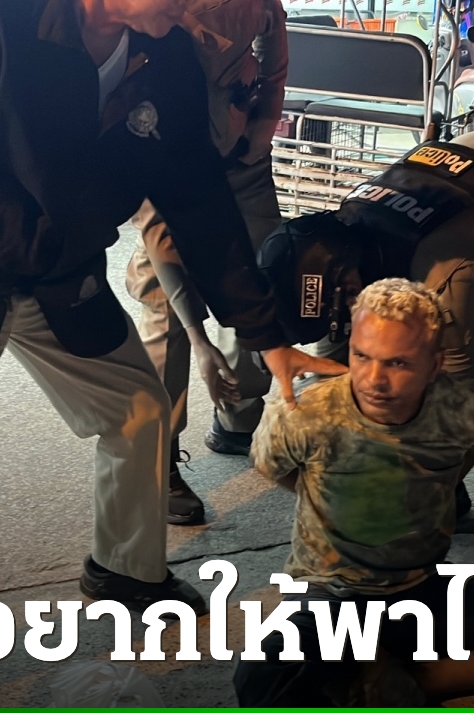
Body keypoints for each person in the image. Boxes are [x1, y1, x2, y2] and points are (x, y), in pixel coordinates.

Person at [0, 0, 342, 707]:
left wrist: (264, 334)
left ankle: (124, 572)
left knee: (139, 412)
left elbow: (198, 198)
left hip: (59, 275)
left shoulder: (164, 51)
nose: (193, 9)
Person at [256, 107, 474, 588]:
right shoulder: (336, 247)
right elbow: (336, 368)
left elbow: (456, 396)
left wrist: (415, 487)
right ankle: (449, 489)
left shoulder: (447, 265)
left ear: (349, 284)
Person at [234, 278, 474, 707]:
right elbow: (274, 469)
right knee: (263, 675)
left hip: (421, 587)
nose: (373, 380)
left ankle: (410, 681)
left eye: (398, 363)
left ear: (435, 365)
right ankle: (366, 670)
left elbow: (455, 470)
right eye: (361, 356)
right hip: (331, 594)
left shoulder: (468, 409)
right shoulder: (304, 413)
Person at [123, 0, 289, 525]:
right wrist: (200, 340)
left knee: (262, 274)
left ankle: (239, 415)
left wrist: (263, 125)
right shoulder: (149, 24)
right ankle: (157, 462)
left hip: (240, 150)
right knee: (167, 307)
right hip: (169, 155)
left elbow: (274, 45)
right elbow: (159, 226)